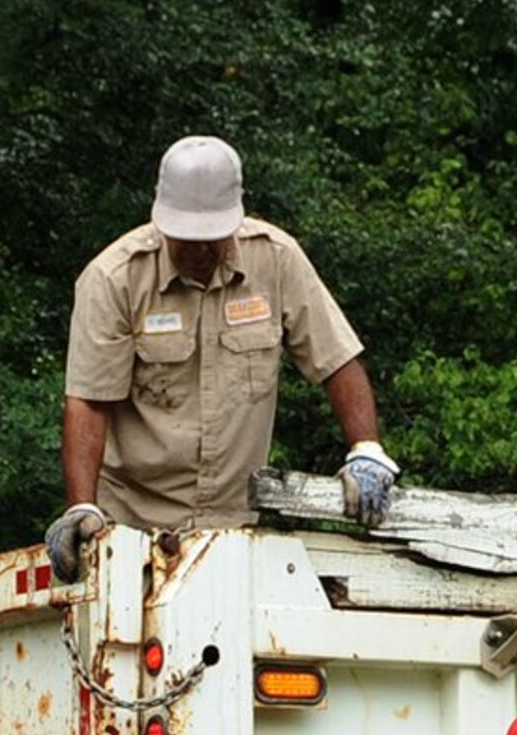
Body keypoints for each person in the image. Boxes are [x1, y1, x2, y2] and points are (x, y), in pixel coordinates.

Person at [45, 135, 395, 574]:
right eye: (187, 240)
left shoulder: (276, 259)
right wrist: (82, 507)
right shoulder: (114, 279)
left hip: (235, 527)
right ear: (163, 221)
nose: (201, 252)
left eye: (213, 239)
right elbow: (89, 402)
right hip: (131, 527)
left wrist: (365, 449)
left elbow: (337, 358)